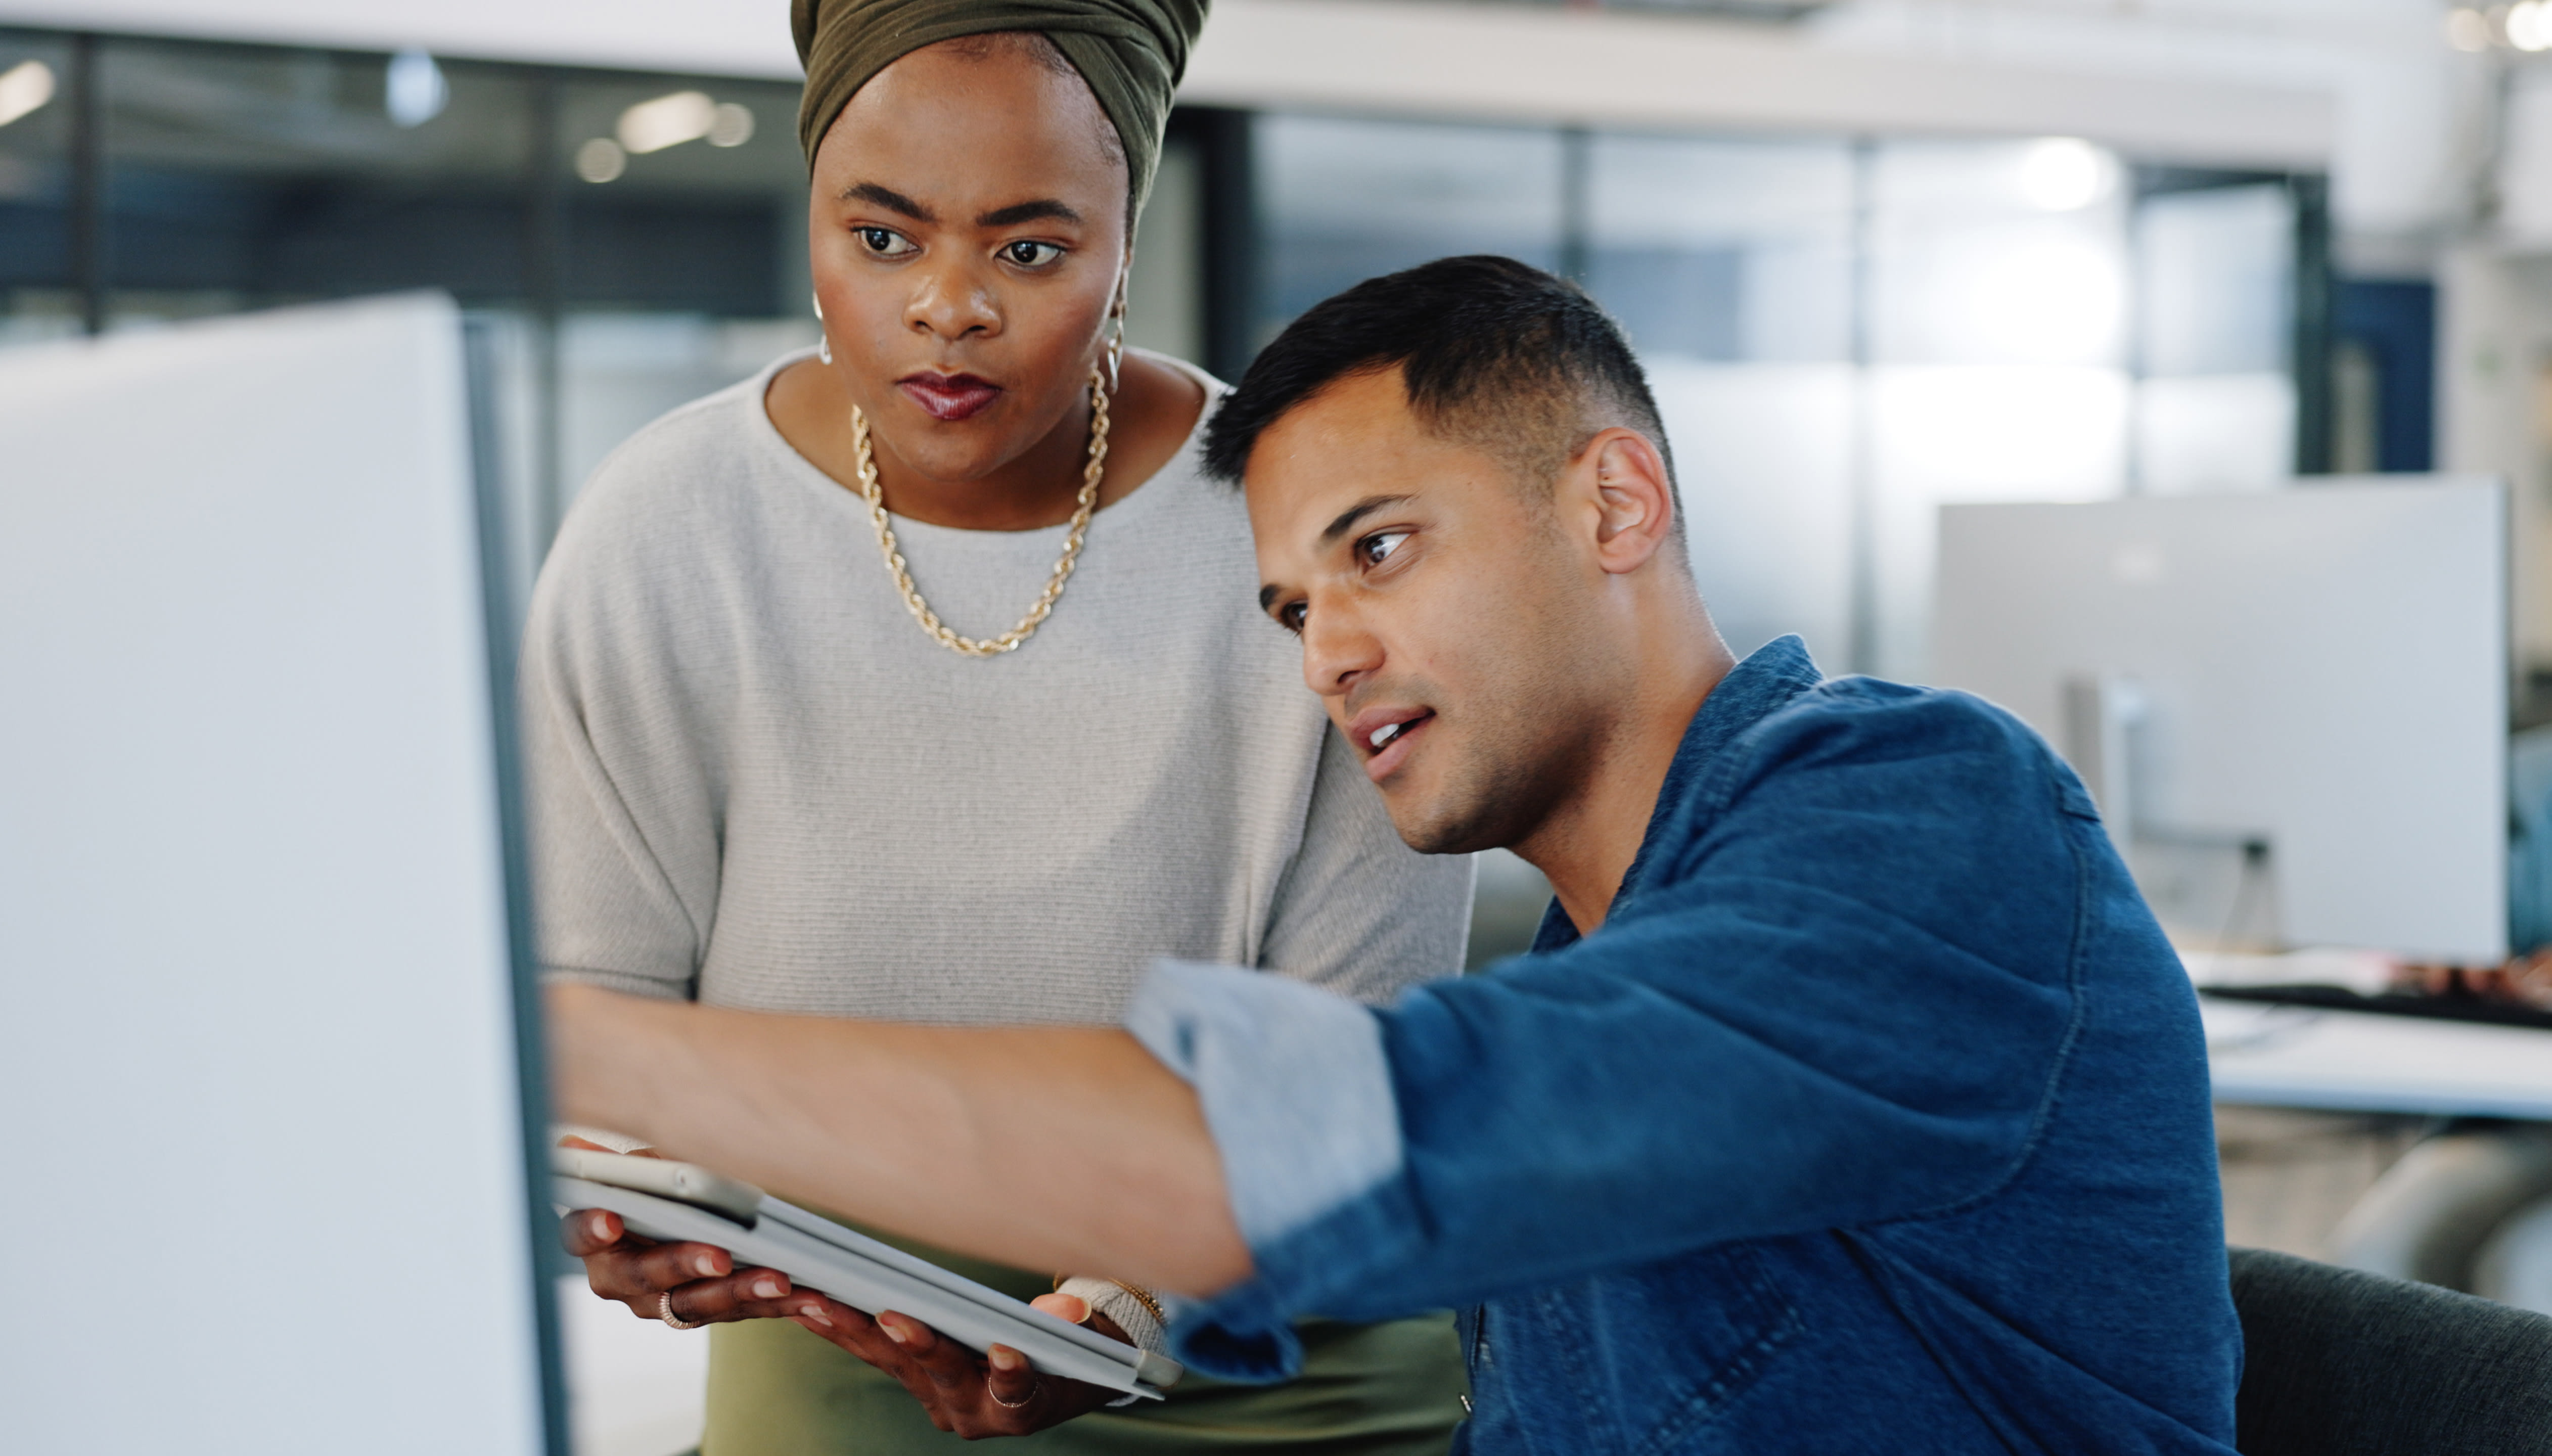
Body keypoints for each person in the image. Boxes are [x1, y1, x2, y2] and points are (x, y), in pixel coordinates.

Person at [548, 255, 2246, 1454]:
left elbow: (1295, 1150)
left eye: (1381, 552)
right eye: (1295, 605)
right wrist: (1106, 1336)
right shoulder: (1601, 952)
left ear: (1615, 505)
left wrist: (569, 1043)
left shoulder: (1920, 812)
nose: (1327, 655)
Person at [528, 2, 1475, 1450]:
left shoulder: (1291, 531)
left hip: (1280, 1348)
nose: (949, 308)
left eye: (1029, 249)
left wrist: (1129, 1301)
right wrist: (628, 1191)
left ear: (1125, 245)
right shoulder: (666, 531)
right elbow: (589, 1013)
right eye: (884, 237)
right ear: (813, 227)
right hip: (834, 1331)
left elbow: (1362, 1047)